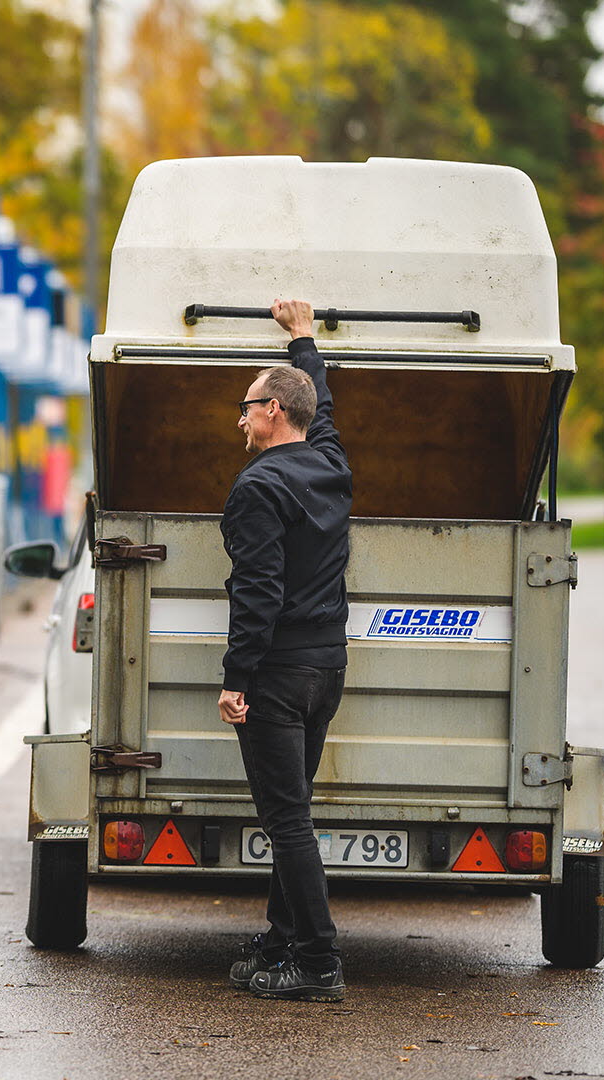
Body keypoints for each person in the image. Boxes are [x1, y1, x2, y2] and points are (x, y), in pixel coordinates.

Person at [220, 299, 353, 1002]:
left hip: (275, 677)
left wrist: (236, 678)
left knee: (285, 819)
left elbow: (258, 595)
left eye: (246, 407)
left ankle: (318, 959)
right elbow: (322, 410)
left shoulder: (258, 488)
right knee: (292, 808)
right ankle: (281, 938)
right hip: (326, 668)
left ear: (272, 410)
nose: (238, 418)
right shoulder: (330, 465)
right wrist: (304, 340)